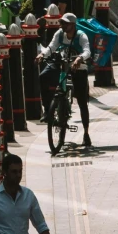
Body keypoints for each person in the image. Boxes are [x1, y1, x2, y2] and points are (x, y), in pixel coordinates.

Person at [39, 8, 92, 147]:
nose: (63, 26)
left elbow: (87, 50)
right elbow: (51, 47)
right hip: (62, 65)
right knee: (43, 77)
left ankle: (86, 133)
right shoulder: (60, 34)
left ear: (73, 25)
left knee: (82, 102)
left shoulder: (81, 36)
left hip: (78, 68)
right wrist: (42, 55)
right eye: (62, 23)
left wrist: (79, 58)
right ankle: (48, 110)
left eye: (66, 24)